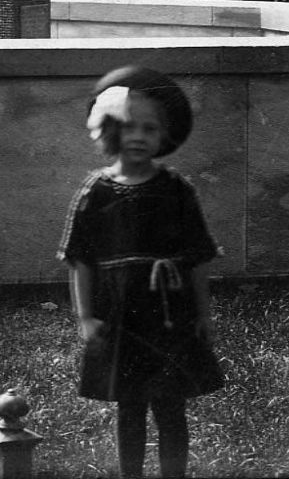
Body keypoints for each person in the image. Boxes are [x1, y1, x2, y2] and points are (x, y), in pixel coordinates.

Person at [59, 65, 223, 479]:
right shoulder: (95, 193)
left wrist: (202, 314)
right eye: (128, 126)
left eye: (149, 129)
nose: (138, 136)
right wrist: (85, 316)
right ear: (109, 130)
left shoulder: (177, 190)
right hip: (121, 318)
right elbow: (80, 259)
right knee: (129, 405)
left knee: (170, 405)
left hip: (169, 316)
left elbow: (198, 258)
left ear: (164, 136)